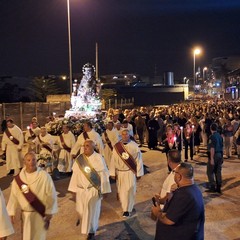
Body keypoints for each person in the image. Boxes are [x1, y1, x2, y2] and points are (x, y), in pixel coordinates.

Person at [7, 152, 58, 240]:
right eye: (29, 160)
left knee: (39, 237)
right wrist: (11, 212)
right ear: (24, 162)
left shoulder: (44, 176)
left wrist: (50, 211)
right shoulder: (18, 179)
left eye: (34, 160)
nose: (31, 162)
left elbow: (51, 194)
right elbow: (13, 196)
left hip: (39, 214)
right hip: (25, 215)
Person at [68, 140, 111, 240]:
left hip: (93, 189)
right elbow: (75, 175)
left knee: (92, 211)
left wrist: (105, 190)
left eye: (87, 146)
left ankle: (91, 231)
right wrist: (73, 189)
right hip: (80, 190)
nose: (84, 148)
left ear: (93, 147)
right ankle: (87, 225)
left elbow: (104, 175)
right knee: (81, 211)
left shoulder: (98, 158)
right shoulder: (80, 158)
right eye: (84, 146)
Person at [152, 162, 205, 240]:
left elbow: (169, 220)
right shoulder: (194, 189)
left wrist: (157, 213)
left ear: (179, 176)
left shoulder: (184, 195)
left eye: (174, 172)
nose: (174, 174)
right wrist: (170, 196)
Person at [110, 129, 144, 217]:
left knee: (130, 190)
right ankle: (125, 208)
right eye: (123, 134)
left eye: (127, 134)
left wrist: (139, 173)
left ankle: (128, 208)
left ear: (129, 135)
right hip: (120, 172)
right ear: (121, 135)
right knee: (122, 191)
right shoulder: (117, 147)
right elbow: (113, 160)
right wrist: (112, 172)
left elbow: (139, 160)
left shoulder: (134, 146)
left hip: (130, 172)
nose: (125, 136)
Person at [206, 123, 224, 193]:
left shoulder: (212, 137)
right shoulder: (220, 136)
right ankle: (219, 186)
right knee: (218, 171)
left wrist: (212, 158)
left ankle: (212, 186)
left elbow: (212, 148)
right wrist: (222, 157)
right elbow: (222, 147)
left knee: (210, 171)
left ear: (211, 129)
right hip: (220, 154)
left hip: (214, 155)